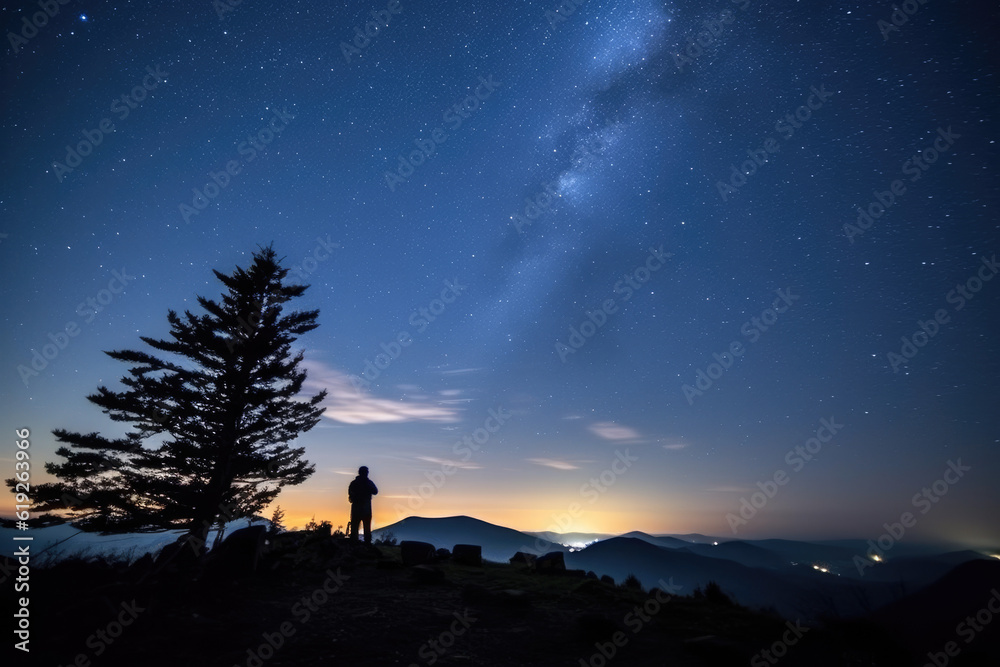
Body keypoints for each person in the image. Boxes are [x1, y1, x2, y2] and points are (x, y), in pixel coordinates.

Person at [348, 465, 378, 543]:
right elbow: (375, 491)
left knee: (355, 528)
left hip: (357, 509)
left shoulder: (354, 483)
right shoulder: (368, 483)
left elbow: (350, 495)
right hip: (365, 509)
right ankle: (365, 544)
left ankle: (355, 543)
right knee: (364, 528)